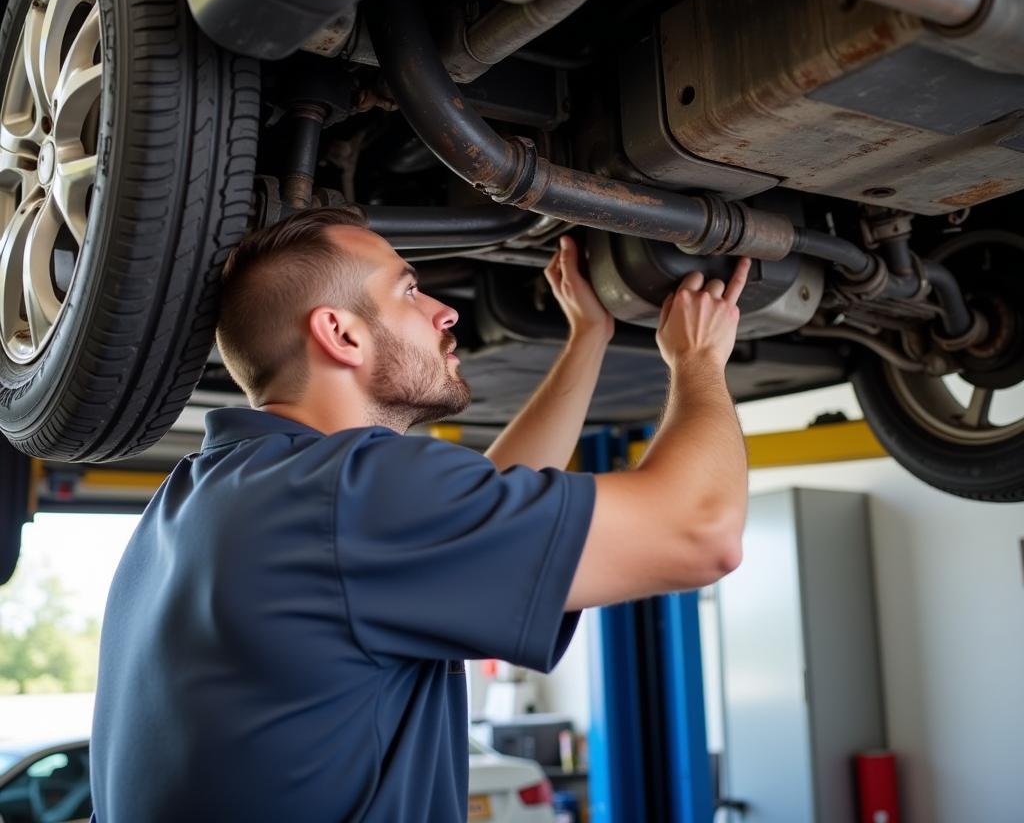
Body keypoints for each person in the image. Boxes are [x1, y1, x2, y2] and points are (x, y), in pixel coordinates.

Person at [90, 206, 751, 823]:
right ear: (340, 333)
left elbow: (481, 521)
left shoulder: (211, 492)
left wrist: (588, 339)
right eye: (408, 291)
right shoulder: (348, 493)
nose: (443, 313)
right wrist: (697, 361)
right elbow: (700, 533)